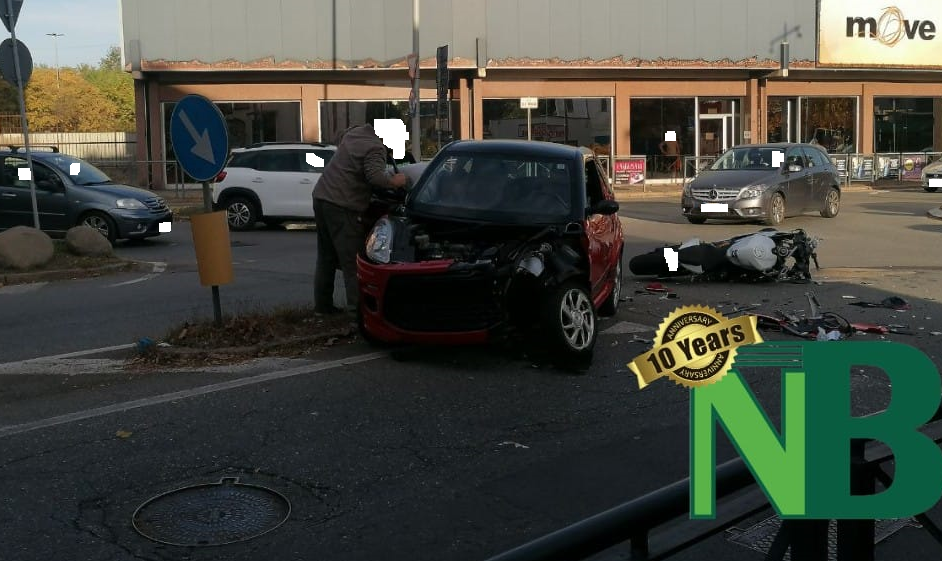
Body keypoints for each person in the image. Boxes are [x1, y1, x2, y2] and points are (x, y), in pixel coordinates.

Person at [312, 123, 407, 315]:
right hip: (343, 203)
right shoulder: (375, 148)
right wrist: (396, 181)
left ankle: (322, 307)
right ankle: (358, 312)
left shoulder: (355, 133)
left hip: (322, 196)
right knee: (351, 261)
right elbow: (375, 178)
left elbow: (342, 137)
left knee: (326, 256)